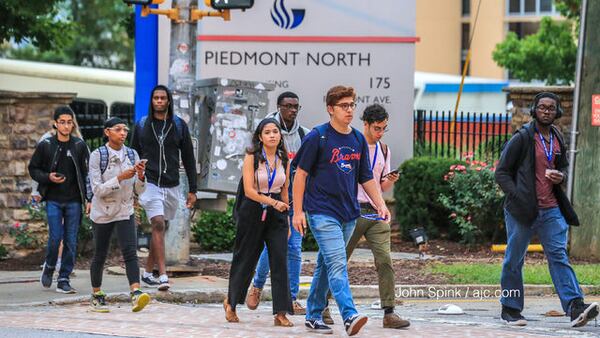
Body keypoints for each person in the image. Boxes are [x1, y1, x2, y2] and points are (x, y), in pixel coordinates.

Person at [292, 86, 391, 336]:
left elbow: (366, 177)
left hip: (349, 213)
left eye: (352, 105)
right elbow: (300, 174)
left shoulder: (357, 138)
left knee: (326, 264)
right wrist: (298, 211)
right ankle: (349, 315)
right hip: (321, 212)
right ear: (330, 109)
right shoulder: (318, 136)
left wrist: (380, 204)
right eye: (344, 105)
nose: (349, 110)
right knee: (338, 264)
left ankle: (313, 315)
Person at [495, 92, 599, 327]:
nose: (546, 111)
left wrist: (559, 175)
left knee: (559, 256)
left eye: (551, 108)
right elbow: (501, 173)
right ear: (534, 110)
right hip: (522, 210)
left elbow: (563, 167)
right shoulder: (522, 138)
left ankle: (575, 307)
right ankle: (510, 309)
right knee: (514, 259)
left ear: (557, 113)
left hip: (551, 209)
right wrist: (518, 195)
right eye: (542, 107)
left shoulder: (557, 138)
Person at [321, 104, 409, 329]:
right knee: (337, 261)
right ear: (366, 124)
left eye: (384, 129)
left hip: (375, 213)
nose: (380, 132)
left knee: (385, 260)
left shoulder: (384, 150)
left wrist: (390, 180)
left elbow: (380, 187)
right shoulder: (352, 145)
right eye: (377, 128)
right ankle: (322, 306)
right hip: (350, 210)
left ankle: (389, 312)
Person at [224, 118, 293, 327]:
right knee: (245, 258)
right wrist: (273, 203)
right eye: (267, 132)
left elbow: (284, 190)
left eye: (275, 131)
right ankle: (232, 303)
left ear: (280, 136)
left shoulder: (284, 158)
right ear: (260, 137)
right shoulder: (252, 157)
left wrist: (287, 219)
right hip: (253, 210)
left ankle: (281, 312)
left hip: (277, 213)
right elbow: (249, 191)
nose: (272, 135)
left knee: (280, 260)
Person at [246, 91, 310, 315]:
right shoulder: (268, 129)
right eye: (288, 106)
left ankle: (291, 298)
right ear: (279, 106)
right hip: (268, 197)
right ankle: (257, 285)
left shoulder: (305, 135)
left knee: (294, 248)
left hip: (294, 199)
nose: (292, 110)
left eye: (296, 106)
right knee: (271, 245)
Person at [131, 85, 198, 291]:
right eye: (156, 98)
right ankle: (163, 275)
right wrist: (133, 184)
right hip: (150, 182)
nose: (159, 101)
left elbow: (188, 157)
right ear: (151, 101)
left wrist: (193, 190)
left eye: (163, 98)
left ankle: (148, 272)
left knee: (162, 227)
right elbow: (132, 155)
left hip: (172, 184)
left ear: (168, 101)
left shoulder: (178, 125)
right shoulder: (142, 125)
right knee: (158, 224)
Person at [88, 117, 151, 313]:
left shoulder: (132, 154)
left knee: (130, 253)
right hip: (103, 211)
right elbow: (97, 190)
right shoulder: (98, 155)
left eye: (125, 129)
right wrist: (120, 177)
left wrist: (140, 176)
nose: (123, 133)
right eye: (118, 129)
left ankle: (136, 293)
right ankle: (97, 294)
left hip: (125, 209)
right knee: (100, 254)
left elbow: (139, 190)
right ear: (107, 132)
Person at [28, 106, 91, 294]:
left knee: (71, 241)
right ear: (55, 124)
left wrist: (89, 199)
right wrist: (48, 177)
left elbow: (88, 175)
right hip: (53, 199)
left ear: (73, 124)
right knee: (55, 238)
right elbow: (33, 169)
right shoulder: (46, 145)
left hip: (74, 200)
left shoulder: (79, 146)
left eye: (69, 122)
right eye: (62, 122)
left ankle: (63, 278)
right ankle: (49, 266)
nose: (66, 125)